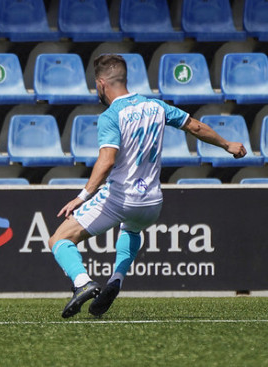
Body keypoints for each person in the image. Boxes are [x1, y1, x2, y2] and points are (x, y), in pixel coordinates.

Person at [48, 54, 247, 319]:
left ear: (101, 83)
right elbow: (196, 127)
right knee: (131, 228)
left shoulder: (111, 115)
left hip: (120, 197)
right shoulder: (157, 106)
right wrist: (227, 144)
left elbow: (106, 161)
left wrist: (82, 197)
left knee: (59, 239)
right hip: (151, 202)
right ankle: (116, 280)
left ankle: (82, 282)